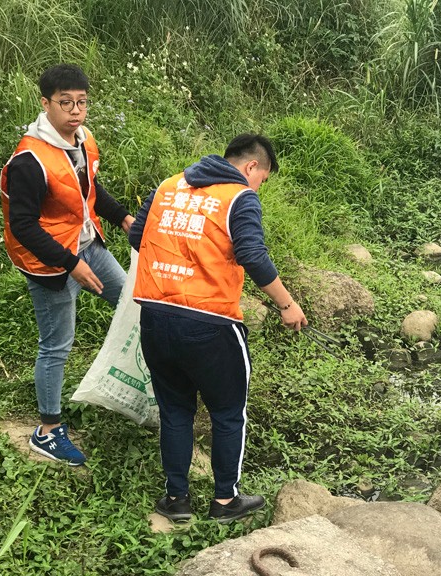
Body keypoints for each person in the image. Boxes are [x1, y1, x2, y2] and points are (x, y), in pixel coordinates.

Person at [128, 133, 307, 523]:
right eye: (263, 178)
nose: (258, 186)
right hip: (210, 323)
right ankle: (225, 501)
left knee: (175, 410)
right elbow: (252, 255)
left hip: (156, 316)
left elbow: (136, 236)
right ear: (251, 167)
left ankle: (176, 500)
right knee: (229, 412)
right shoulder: (239, 197)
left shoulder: (168, 186)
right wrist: (287, 304)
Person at [0, 63, 135, 466]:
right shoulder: (29, 160)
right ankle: (47, 431)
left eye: (82, 102)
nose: (75, 111)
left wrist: (124, 218)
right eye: (65, 103)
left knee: (134, 303)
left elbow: (89, 191)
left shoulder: (83, 140)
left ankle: (140, 391)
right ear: (46, 104)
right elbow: (22, 226)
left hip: (88, 245)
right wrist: (69, 263)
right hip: (50, 264)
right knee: (56, 345)